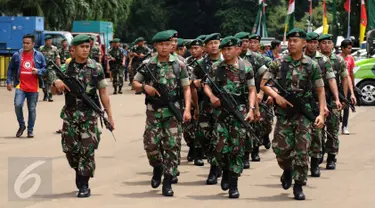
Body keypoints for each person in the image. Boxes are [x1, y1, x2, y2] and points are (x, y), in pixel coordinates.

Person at [261, 28, 326, 200]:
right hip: (284, 114)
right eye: (289, 40)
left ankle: (298, 185)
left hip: (303, 113)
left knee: (302, 150)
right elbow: (264, 84)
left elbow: (320, 90)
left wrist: (321, 113)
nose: (291, 43)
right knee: (281, 150)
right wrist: (276, 97)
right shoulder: (279, 63)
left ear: (304, 43)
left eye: (295, 40)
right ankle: (287, 170)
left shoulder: (312, 65)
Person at [51, 34, 114, 198]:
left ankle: (84, 183)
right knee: (70, 150)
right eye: (82, 47)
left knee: (88, 149)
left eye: (88, 47)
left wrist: (109, 116)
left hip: (90, 115)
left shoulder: (96, 68)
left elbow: (103, 93)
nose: (86, 50)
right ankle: (79, 171)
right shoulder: (65, 69)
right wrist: (56, 84)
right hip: (70, 116)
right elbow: (53, 91)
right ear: (73, 50)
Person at [132, 30, 192, 197]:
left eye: (167, 44)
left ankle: (167, 181)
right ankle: (157, 167)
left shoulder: (179, 65)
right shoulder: (148, 64)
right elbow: (135, 82)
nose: (165, 48)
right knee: (150, 145)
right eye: (161, 45)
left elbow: (186, 88)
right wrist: (145, 87)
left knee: (172, 147)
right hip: (154, 113)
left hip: (173, 112)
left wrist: (187, 109)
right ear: (156, 46)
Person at [203, 36, 257, 198]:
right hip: (220, 114)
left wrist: (252, 109)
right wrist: (212, 97)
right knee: (219, 148)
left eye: (229, 49)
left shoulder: (245, 67)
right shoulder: (216, 67)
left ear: (237, 49)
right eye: (224, 49)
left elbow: (252, 89)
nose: (226, 52)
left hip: (239, 113)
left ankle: (233, 183)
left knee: (237, 148)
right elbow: (206, 85)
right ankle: (225, 170)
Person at [304, 32, 342, 177]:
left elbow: (332, 80)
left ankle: (319, 161)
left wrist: (337, 99)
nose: (312, 45)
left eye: (314, 42)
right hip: (304, 102)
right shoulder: (300, 59)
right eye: (310, 42)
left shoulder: (324, 60)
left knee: (321, 132)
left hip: (321, 100)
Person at [319, 34, 355, 170]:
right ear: (319, 45)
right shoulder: (315, 60)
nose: (326, 45)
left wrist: (344, 97)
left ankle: (332, 157)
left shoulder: (339, 61)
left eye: (329, 42)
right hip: (318, 100)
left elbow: (345, 78)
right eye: (324, 43)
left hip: (334, 99)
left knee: (333, 128)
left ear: (333, 45)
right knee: (318, 129)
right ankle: (319, 152)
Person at [191, 33, 223, 185]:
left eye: (216, 43)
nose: (214, 46)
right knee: (204, 137)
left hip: (224, 107)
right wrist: (195, 82)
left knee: (219, 138)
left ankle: (214, 168)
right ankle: (214, 162)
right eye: (210, 43)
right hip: (205, 106)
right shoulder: (200, 64)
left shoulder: (228, 61)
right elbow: (191, 82)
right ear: (206, 47)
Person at [6, 34, 46, 138]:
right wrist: (9, 81)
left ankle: (30, 130)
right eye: (24, 43)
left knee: (32, 109)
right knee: (18, 105)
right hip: (21, 86)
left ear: (33, 44)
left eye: (28, 43)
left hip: (34, 87)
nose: (25, 45)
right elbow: (10, 68)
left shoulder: (39, 56)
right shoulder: (17, 55)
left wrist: (38, 71)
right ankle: (22, 125)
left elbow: (45, 69)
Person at [340, 39, 356, 135]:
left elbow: (351, 73)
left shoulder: (351, 58)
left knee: (346, 107)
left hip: (348, 85)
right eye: (348, 48)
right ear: (342, 48)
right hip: (339, 86)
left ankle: (344, 126)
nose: (350, 50)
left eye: (351, 48)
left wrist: (353, 86)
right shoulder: (337, 58)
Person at [39, 35, 60, 102]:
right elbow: (38, 58)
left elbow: (57, 57)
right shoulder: (41, 48)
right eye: (47, 41)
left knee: (51, 82)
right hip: (43, 68)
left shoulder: (54, 48)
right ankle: (45, 94)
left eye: (49, 40)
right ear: (45, 41)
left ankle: (50, 96)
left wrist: (58, 67)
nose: (48, 42)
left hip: (51, 68)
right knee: (44, 83)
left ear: (51, 41)